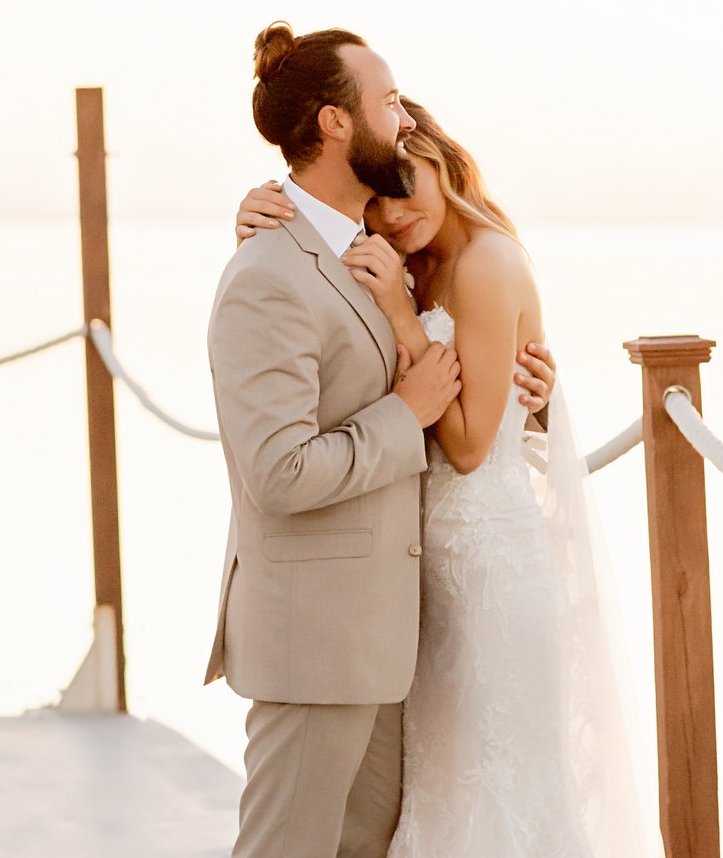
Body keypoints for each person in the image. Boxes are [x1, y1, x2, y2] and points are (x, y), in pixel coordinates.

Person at [235, 96, 665, 856]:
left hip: (491, 573)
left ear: (440, 159)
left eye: (406, 186)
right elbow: (313, 287)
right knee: (443, 794)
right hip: (426, 582)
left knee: (499, 796)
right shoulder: (415, 265)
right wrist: (259, 214)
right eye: (378, 200)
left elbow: (467, 446)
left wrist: (404, 322)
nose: (395, 215)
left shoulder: (487, 262)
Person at [204, 22, 557, 858]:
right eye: (388, 101)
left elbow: (453, 359)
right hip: (316, 641)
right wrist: (409, 410)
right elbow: (279, 471)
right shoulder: (266, 271)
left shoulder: (381, 251)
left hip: (399, 635)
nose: (403, 121)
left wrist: (534, 402)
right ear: (333, 122)